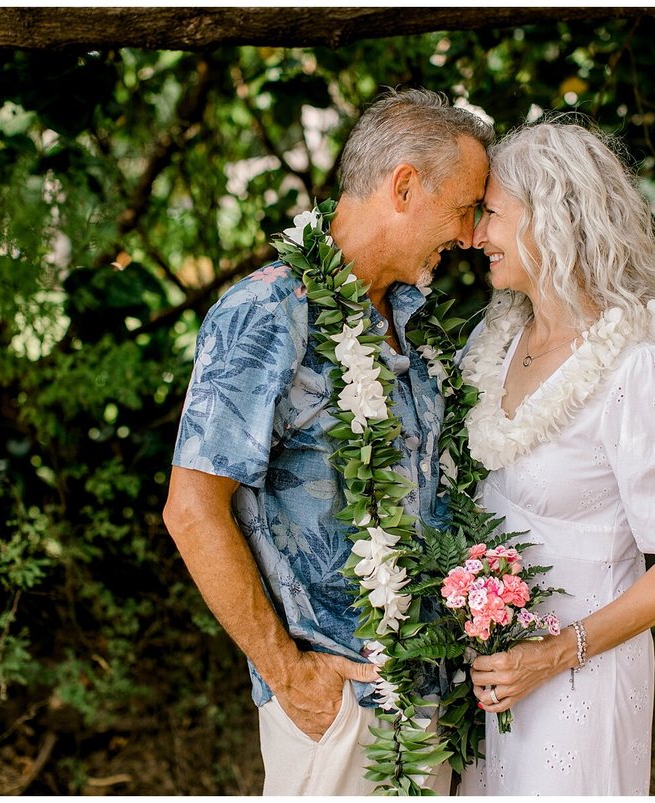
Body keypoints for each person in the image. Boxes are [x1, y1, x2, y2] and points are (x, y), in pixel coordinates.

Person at [162, 88, 492, 796]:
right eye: (463, 207)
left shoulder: (415, 323)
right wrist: (288, 672)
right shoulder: (266, 311)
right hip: (338, 704)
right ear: (404, 185)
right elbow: (191, 509)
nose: (468, 235)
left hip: (437, 698)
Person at [456, 120, 655, 795]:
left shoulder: (635, 368)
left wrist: (556, 653)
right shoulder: (492, 341)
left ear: (551, 217)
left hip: (579, 680)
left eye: (491, 212)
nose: (474, 235)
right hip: (488, 679)